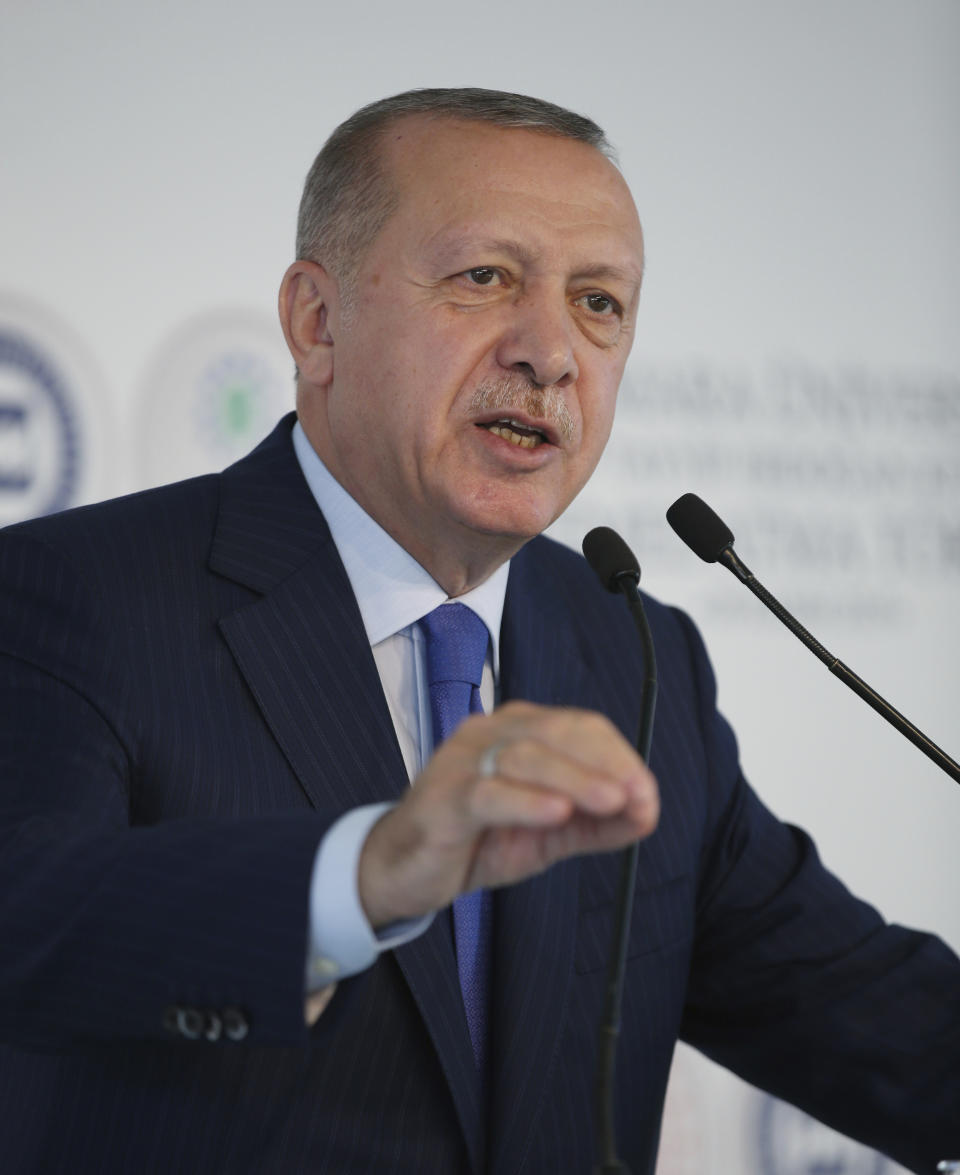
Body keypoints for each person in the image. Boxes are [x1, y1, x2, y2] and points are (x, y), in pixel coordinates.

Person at [0, 88, 956, 1175]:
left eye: (599, 302)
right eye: (484, 277)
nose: (551, 352)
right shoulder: (70, 594)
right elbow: (29, 925)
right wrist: (363, 874)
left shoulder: (635, 655)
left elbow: (864, 1014)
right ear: (318, 322)